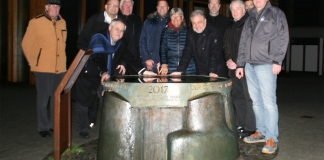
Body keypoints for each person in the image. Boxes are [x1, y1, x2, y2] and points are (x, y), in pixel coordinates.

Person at [235, 0, 289, 154]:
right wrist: (240, 64)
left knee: (269, 103)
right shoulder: (250, 16)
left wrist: (278, 60)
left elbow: (283, 37)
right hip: (250, 65)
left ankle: (271, 138)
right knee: (256, 102)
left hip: (266, 64)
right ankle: (261, 131)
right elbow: (243, 41)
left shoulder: (276, 14)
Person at [21, 0, 66, 138]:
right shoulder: (36, 22)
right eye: (51, 6)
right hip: (43, 68)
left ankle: (54, 125)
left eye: (57, 6)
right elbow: (26, 44)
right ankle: (43, 127)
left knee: (56, 97)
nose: (54, 8)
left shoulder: (62, 22)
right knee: (43, 98)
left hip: (60, 68)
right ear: (46, 7)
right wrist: (35, 63)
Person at [76, 0, 120, 130]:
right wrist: (86, 59)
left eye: (117, 5)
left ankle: (101, 125)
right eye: (111, 5)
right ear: (105, 6)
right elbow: (83, 40)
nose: (114, 8)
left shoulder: (121, 22)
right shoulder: (95, 20)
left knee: (105, 97)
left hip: (111, 66)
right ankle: (84, 127)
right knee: (86, 97)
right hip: (92, 64)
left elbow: (125, 46)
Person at [223, 0, 255, 139]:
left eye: (238, 9)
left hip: (246, 67)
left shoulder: (249, 24)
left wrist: (238, 62)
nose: (235, 11)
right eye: (233, 9)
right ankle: (241, 124)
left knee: (249, 98)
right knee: (237, 97)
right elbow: (225, 45)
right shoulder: (230, 27)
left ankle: (251, 127)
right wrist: (229, 59)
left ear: (244, 10)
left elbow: (249, 46)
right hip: (233, 68)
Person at [171, 10, 226, 77]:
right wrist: (180, 70)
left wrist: (212, 71)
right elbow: (187, 52)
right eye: (194, 23)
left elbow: (214, 53)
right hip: (201, 71)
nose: (197, 26)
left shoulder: (214, 32)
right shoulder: (191, 33)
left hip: (216, 71)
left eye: (199, 22)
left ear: (205, 21)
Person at [159, 8, 196, 75]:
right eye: (173, 16)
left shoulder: (189, 31)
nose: (175, 19)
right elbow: (162, 49)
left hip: (189, 69)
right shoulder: (166, 31)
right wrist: (164, 64)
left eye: (178, 16)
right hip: (171, 69)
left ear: (182, 18)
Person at [139, 0, 170, 73]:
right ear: (157, 7)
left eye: (164, 6)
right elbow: (142, 42)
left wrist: (167, 64)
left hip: (167, 67)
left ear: (168, 8)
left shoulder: (172, 23)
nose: (162, 8)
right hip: (150, 65)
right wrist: (146, 59)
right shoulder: (148, 22)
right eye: (160, 6)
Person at [118, 0, 143, 75]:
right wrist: (120, 62)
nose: (128, 7)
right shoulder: (116, 20)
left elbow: (142, 38)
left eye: (130, 5)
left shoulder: (137, 20)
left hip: (135, 60)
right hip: (121, 61)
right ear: (120, 7)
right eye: (126, 5)